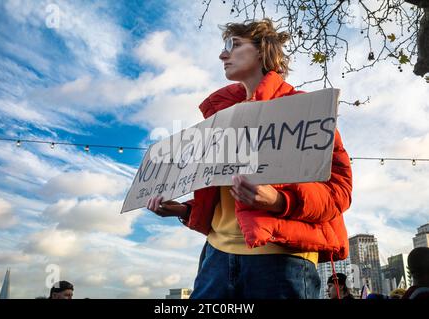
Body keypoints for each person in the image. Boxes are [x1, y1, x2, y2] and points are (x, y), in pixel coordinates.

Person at [147, 18, 352, 299]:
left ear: (263, 50)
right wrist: (183, 210)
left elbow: (338, 192)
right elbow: (223, 196)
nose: (222, 54)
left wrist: (279, 201)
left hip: (282, 260)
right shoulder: (218, 119)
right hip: (215, 258)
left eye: (234, 44)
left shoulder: (306, 110)